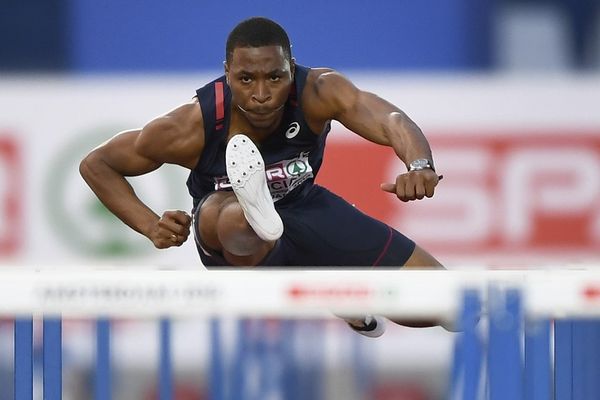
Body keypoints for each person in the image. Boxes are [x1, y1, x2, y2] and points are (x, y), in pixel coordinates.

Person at [80, 16, 446, 337]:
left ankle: (330, 284)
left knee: (450, 306)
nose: (261, 94)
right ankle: (257, 212)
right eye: (245, 79)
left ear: (292, 68)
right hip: (231, 238)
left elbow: (391, 120)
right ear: (227, 73)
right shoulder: (191, 125)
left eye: (275, 77)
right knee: (226, 214)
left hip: (306, 210)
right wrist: (149, 225)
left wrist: (418, 165)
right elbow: (97, 164)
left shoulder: (318, 91)